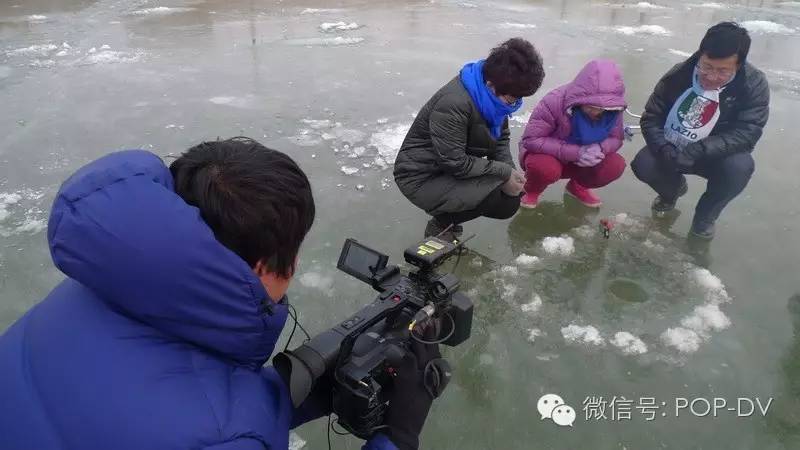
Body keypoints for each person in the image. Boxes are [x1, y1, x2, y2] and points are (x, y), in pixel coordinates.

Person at [0, 138, 441, 450]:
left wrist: (303, 391)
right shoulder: (227, 438)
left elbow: (157, 398)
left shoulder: (81, 294)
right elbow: (202, 427)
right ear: (265, 268)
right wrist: (396, 439)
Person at [393, 38, 545, 241]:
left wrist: (510, 171)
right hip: (421, 175)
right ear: (491, 85)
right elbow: (455, 162)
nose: (515, 104)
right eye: (512, 99)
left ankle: (448, 218)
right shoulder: (454, 103)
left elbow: (500, 139)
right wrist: (504, 172)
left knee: (510, 198)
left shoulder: (493, 100)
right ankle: (442, 223)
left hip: (451, 167)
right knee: (496, 196)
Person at [631, 22, 770, 239]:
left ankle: (705, 217)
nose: (711, 77)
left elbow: (748, 132)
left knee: (740, 167)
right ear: (700, 55)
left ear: (739, 65)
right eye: (706, 66)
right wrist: (664, 147)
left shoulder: (753, 84)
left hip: (717, 155)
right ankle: (671, 191)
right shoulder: (678, 76)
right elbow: (651, 118)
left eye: (723, 71)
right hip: (674, 148)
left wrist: (700, 149)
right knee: (644, 163)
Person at [518, 59, 627, 208]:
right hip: (550, 156)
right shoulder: (554, 101)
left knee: (615, 165)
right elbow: (531, 140)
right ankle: (532, 190)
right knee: (544, 168)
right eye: (591, 106)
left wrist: (601, 148)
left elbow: (616, 138)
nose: (596, 111)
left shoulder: (614, 109)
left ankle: (578, 186)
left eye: (603, 108)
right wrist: (577, 152)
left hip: (584, 162)